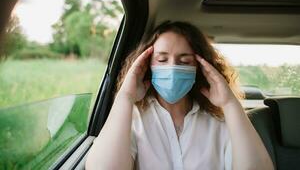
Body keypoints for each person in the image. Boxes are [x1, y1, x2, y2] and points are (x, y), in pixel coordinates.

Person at [85, 21, 274, 170]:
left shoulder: (221, 123)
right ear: (146, 66)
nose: (172, 68)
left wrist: (230, 104)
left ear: (199, 68)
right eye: (162, 59)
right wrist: (125, 96)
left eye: (184, 61)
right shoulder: (131, 120)